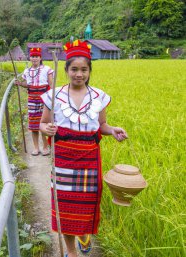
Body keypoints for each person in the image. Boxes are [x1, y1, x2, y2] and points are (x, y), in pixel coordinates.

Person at [40, 40, 128, 257]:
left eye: (84, 69)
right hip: (62, 160)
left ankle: (84, 233)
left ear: (89, 71)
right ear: (67, 70)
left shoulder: (98, 96)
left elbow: (102, 126)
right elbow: (42, 123)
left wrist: (113, 130)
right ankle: (71, 251)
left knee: (87, 204)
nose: (79, 74)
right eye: (74, 69)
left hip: (89, 158)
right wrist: (47, 129)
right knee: (65, 207)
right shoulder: (54, 95)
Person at [15, 47, 53, 156]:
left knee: (44, 123)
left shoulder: (47, 69)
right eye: (32, 56)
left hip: (44, 99)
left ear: (40, 57)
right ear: (30, 58)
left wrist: (52, 97)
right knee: (33, 125)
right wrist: (19, 83)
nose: (34, 58)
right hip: (32, 99)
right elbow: (27, 84)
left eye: (36, 56)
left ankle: (45, 147)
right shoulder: (27, 71)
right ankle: (36, 148)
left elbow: (51, 84)